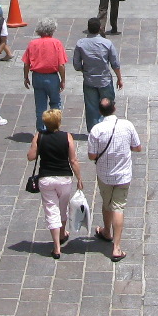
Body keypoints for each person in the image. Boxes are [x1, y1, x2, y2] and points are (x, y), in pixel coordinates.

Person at [87, 96, 143, 263]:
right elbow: (138, 147)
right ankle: (117, 247)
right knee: (118, 207)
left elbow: (92, 156)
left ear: (99, 111)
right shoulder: (127, 125)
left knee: (106, 203)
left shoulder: (96, 130)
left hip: (105, 174)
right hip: (123, 175)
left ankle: (106, 232)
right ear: (115, 108)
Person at [27, 108, 82, 260]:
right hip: (64, 178)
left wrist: (36, 145)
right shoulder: (67, 137)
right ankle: (63, 233)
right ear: (59, 121)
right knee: (63, 207)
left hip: (46, 178)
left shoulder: (40, 136)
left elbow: (30, 157)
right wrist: (79, 178)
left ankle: (56, 247)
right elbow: (73, 160)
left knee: (51, 210)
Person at [72, 17, 123, 132]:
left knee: (91, 109)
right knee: (108, 107)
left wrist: (84, 70)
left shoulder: (80, 44)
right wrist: (119, 78)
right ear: (100, 28)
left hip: (89, 80)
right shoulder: (107, 43)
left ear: (88, 29)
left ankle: (94, 132)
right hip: (104, 80)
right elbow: (115, 64)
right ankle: (108, 131)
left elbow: (76, 64)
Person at [22, 18, 69, 134]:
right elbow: (61, 65)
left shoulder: (32, 44)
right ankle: (54, 128)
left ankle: (41, 130)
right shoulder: (56, 43)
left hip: (37, 77)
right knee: (55, 103)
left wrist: (26, 77)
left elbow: (26, 63)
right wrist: (63, 79)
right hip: (52, 77)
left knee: (40, 106)